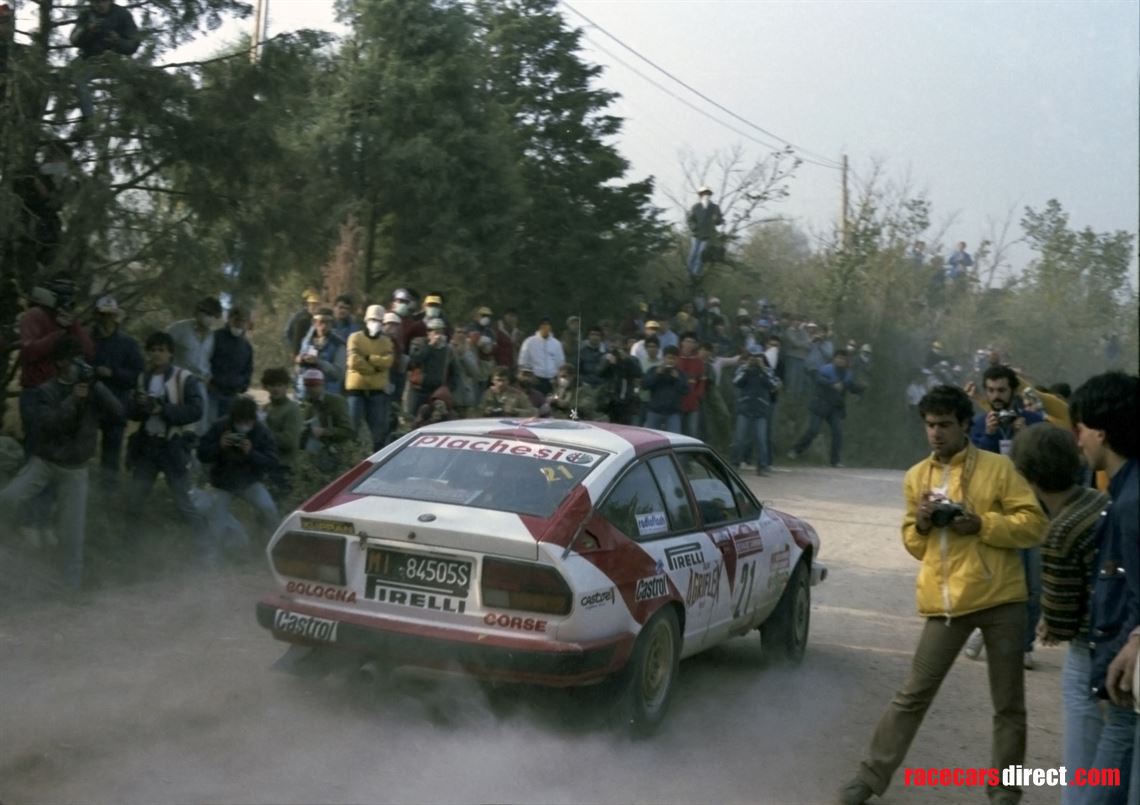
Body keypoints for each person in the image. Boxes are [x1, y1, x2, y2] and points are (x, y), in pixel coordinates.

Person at [837, 384, 1047, 805]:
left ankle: (1005, 791)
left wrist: (983, 524)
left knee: (1008, 703)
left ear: (965, 424)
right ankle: (868, 778)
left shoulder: (999, 468)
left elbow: (1033, 523)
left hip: (1002, 600)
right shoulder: (917, 477)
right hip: (947, 605)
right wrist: (922, 524)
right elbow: (915, 546)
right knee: (912, 695)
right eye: (930, 425)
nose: (936, 433)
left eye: (945, 425)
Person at [1009, 424, 1109, 805]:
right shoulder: (1100, 501)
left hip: (1090, 650)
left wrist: (1049, 617)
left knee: (1082, 765)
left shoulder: (1060, 530)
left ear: (1027, 476)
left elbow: (1062, 623)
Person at [0, 336, 121, 588]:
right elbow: (48, 426)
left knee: (72, 533)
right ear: (61, 363)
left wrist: (98, 388)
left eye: (81, 360)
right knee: (8, 498)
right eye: (74, 360)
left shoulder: (92, 389)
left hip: (76, 469)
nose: (79, 365)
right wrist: (73, 400)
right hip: (44, 462)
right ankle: (8, 552)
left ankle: (71, 588)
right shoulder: (47, 391)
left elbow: (118, 414)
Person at [1070, 371, 1138, 803]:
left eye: (1079, 430)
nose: (1077, 442)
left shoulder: (1132, 503)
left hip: (1128, 678)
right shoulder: (1124, 490)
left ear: (1100, 431)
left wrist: (1133, 640)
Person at [964, 363, 1048, 667]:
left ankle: (1024, 646)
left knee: (1032, 584)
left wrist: (1027, 437)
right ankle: (983, 632)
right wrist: (986, 436)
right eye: (991, 390)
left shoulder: (1034, 421)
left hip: (1027, 512)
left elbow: (1046, 465)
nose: (997, 396)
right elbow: (971, 466)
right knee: (990, 579)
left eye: (1002, 390)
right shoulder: (976, 423)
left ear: (1012, 390)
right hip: (990, 515)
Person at [124, 331, 208, 542]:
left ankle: (205, 547)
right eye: (152, 350)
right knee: (134, 499)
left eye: (161, 350)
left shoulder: (184, 377)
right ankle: (129, 549)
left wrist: (163, 409)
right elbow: (133, 413)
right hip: (148, 444)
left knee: (183, 502)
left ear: (171, 353)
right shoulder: (143, 377)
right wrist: (139, 405)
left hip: (173, 445)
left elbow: (196, 410)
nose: (156, 354)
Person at [198, 396, 279, 561]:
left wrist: (251, 453)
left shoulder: (261, 431)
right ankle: (210, 562)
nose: (244, 426)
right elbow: (201, 453)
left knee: (269, 509)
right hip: (222, 483)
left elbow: (272, 462)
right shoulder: (221, 426)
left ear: (253, 420)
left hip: (249, 482)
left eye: (248, 421)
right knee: (216, 525)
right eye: (240, 421)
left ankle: (277, 548)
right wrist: (218, 446)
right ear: (233, 419)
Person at [90, 295, 143, 492]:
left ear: (116, 316)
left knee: (111, 452)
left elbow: (137, 374)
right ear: (97, 315)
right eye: (102, 314)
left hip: (117, 404)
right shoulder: (88, 340)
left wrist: (113, 373)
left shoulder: (128, 344)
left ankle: (108, 492)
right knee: (81, 446)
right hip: (90, 402)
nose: (106, 319)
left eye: (110, 315)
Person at [788, 349, 864, 468]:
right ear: (834, 358)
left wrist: (861, 390)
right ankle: (795, 450)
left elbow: (851, 386)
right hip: (820, 404)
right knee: (813, 430)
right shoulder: (826, 369)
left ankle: (835, 460)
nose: (840, 360)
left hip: (835, 408)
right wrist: (831, 384)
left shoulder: (848, 374)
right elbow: (818, 380)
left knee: (837, 433)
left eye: (843, 358)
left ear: (846, 361)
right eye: (838, 357)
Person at [70, 0, 140, 119]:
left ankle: (126, 117)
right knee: (72, 77)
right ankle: (89, 119)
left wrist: (117, 41)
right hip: (89, 58)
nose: (100, 5)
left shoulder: (122, 14)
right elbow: (74, 40)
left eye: (103, 1)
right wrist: (88, 30)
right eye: (96, 2)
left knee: (133, 83)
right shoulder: (86, 14)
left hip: (114, 60)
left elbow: (133, 45)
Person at [166, 296, 220, 436]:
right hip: (178, 383)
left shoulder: (212, 337)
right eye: (206, 313)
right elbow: (162, 348)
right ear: (197, 312)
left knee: (199, 426)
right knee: (176, 424)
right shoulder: (178, 329)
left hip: (199, 386)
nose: (208, 318)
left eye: (212, 315)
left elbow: (209, 360)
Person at [346, 304, 395, 451]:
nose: (375, 323)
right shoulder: (355, 338)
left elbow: (388, 361)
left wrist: (368, 358)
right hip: (356, 391)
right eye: (373, 319)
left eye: (379, 320)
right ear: (366, 320)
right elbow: (353, 361)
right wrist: (375, 368)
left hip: (377, 392)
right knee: (352, 426)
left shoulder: (386, 341)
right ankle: (350, 454)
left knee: (377, 429)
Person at [730, 345, 779, 475]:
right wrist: (747, 368)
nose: (755, 359)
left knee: (761, 439)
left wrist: (762, 369)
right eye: (752, 356)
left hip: (761, 409)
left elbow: (773, 386)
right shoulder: (743, 368)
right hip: (745, 407)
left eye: (758, 357)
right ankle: (734, 464)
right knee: (739, 439)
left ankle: (762, 467)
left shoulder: (767, 370)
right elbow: (736, 382)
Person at [260, 367, 302, 502]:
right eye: (272, 385)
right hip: (265, 465)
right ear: (266, 387)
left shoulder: (292, 409)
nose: (275, 389)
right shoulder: (265, 409)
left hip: (284, 467)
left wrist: (265, 432)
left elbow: (289, 442)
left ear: (286, 386)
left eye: (279, 385)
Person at [208, 306, 253, 422]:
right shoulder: (215, 337)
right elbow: (206, 360)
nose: (239, 323)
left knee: (226, 427)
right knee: (210, 425)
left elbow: (248, 369)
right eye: (236, 319)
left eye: (243, 321)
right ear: (229, 319)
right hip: (213, 392)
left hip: (233, 395)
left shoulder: (246, 346)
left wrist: (243, 386)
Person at [294, 308, 346, 398]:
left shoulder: (338, 345)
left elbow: (338, 373)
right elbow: (298, 371)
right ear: (314, 323)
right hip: (304, 393)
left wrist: (319, 362)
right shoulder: (306, 341)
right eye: (321, 322)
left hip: (328, 395)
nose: (324, 326)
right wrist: (300, 361)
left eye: (328, 322)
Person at [641, 345, 688, 434]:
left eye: (674, 358)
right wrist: (657, 374)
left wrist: (677, 378)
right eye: (668, 358)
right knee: (651, 438)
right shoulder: (653, 370)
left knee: (675, 438)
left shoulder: (681, 374)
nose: (671, 361)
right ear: (663, 358)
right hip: (654, 411)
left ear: (677, 360)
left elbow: (685, 390)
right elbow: (645, 385)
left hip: (673, 413)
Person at [517, 317, 564, 395]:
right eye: (543, 325)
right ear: (539, 327)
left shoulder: (556, 344)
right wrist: (530, 377)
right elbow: (523, 362)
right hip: (535, 380)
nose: (546, 327)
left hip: (551, 381)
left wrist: (557, 377)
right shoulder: (529, 342)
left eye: (548, 325)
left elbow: (560, 363)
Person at [686, 186, 724, 278]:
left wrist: (717, 220)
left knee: (700, 256)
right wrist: (693, 227)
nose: (706, 195)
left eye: (707, 193)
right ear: (700, 195)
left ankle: (695, 274)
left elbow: (719, 220)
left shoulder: (715, 207)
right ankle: (689, 274)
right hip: (696, 234)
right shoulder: (695, 207)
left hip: (707, 235)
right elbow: (690, 219)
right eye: (704, 193)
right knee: (692, 254)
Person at [283, 288, 320, 357]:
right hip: (301, 353)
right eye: (312, 304)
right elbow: (288, 334)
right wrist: (295, 351)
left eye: (316, 304)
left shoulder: (317, 317)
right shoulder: (300, 318)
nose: (314, 306)